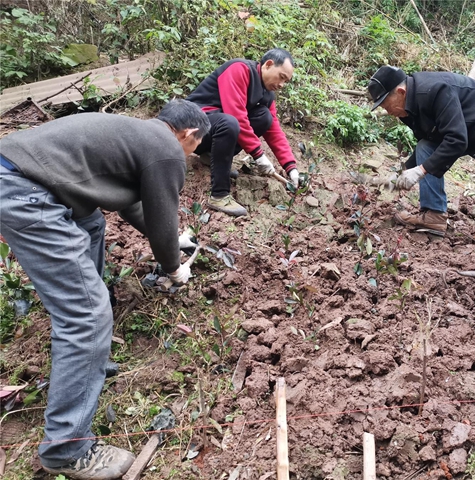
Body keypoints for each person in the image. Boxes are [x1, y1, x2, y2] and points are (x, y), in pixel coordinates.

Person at [0, 99, 209, 479]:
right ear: (189, 134)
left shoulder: (136, 133)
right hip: (23, 190)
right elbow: (162, 221)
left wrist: (174, 239)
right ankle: (66, 449)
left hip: (18, 174)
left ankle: (89, 359)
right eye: (195, 148)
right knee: (86, 315)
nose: (192, 155)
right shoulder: (166, 149)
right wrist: (174, 268)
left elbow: (133, 207)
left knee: (92, 224)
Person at [367, 65, 475, 235]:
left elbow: (457, 140)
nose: (387, 112)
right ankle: (434, 215)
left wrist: (420, 171)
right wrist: (403, 172)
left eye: (386, 106)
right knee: (425, 147)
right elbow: (431, 140)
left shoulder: (436, 90)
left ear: (401, 92)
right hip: (473, 132)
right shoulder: (408, 107)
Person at [186, 48, 300, 217]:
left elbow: (274, 130)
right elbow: (236, 114)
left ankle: (210, 157)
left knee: (265, 118)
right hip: (194, 127)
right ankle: (219, 195)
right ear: (268, 65)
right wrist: (258, 154)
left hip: (216, 128)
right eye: (281, 77)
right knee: (230, 123)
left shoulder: (268, 95)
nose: (282, 84)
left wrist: (291, 167)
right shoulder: (239, 70)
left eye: (286, 81)